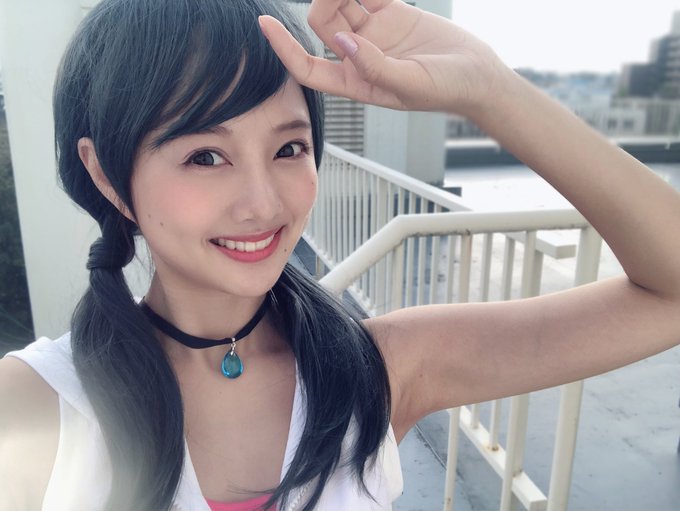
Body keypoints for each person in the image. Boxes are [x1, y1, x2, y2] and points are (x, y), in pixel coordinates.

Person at [1, 0, 679, 510]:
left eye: (289, 148)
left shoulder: (379, 371)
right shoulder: (33, 410)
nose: (263, 202)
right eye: (205, 155)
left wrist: (489, 90)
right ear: (108, 176)